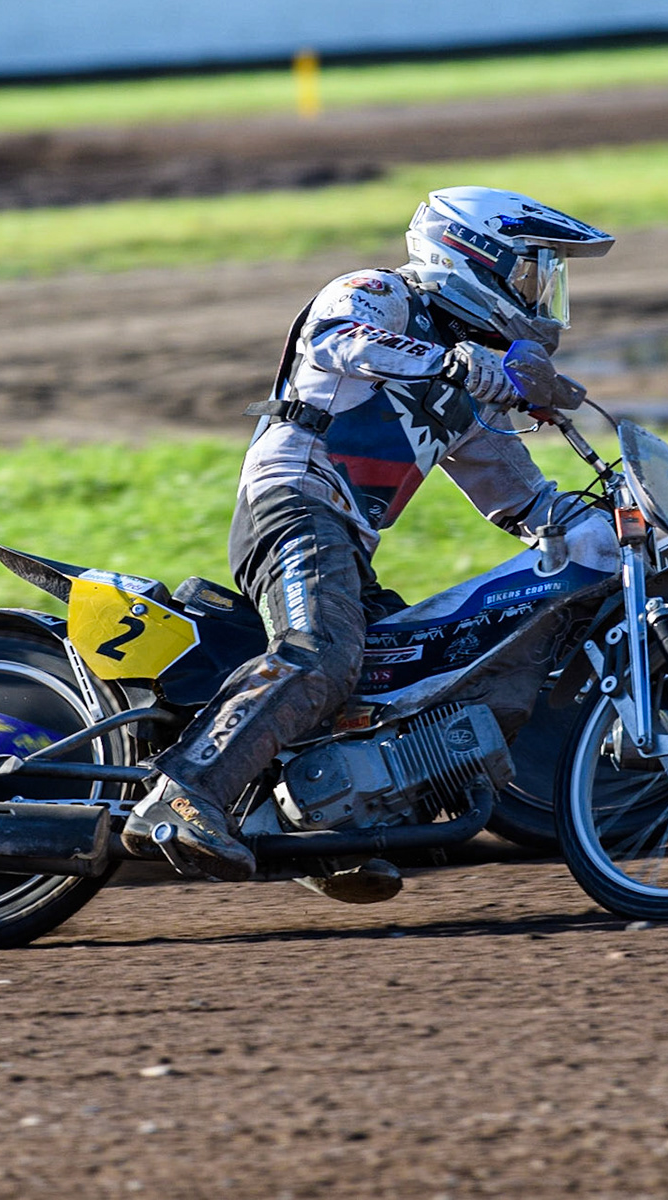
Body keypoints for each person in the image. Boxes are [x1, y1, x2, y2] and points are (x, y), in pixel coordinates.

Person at [121, 186, 619, 890]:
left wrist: (608, 518)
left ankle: (317, 836)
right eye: (534, 273)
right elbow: (337, 341)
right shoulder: (379, 294)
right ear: (474, 255)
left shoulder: (469, 393)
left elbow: (520, 497)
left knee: (412, 681)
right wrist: (453, 363)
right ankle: (180, 794)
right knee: (321, 653)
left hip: (347, 541)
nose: (543, 297)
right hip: (293, 502)